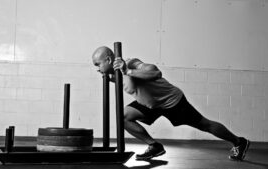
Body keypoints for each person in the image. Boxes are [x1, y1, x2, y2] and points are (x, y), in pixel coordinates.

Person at [91, 46, 250, 161]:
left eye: (98, 64)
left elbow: (155, 72)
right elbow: (130, 86)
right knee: (123, 117)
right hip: (151, 105)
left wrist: (128, 71)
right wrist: (115, 76)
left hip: (171, 102)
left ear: (108, 59)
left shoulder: (131, 64)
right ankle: (155, 146)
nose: (97, 69)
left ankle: (239, 142)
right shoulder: (113, 76)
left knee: (205, 125)